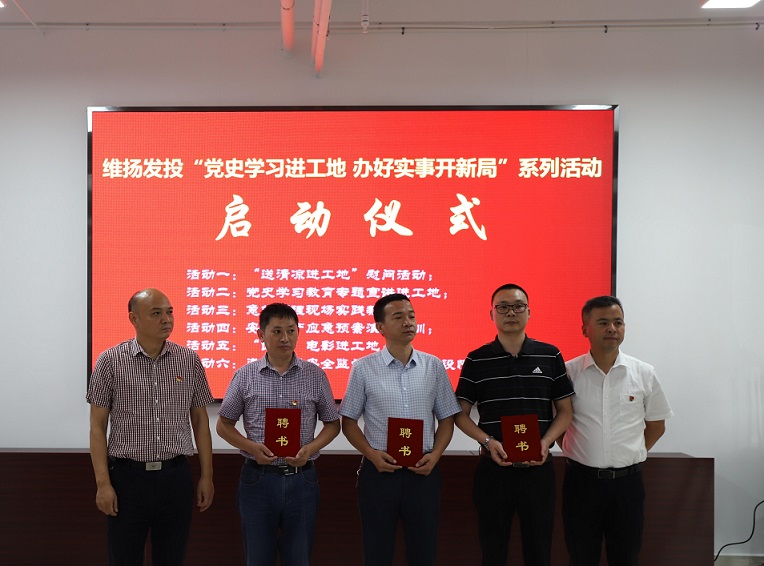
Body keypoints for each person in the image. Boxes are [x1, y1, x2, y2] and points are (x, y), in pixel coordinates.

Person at [87, 288, 215, 566]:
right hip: (127, 479)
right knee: (124, 558)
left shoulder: (189, 360)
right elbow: (97, 426)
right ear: (134, 319)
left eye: (169, 312)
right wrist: (103, 484)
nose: (166, 319)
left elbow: (200, 421)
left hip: (175, 477)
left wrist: (207, 475)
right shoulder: (110, 361)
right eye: (156, 313)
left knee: (172, 558)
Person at [455, 283, 574, 566]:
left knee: (539, 550)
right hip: (493, 470)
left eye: (518, 306)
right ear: (492, 314)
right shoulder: (476, 359)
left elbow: (565, 411)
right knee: (493, 550)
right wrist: (488, 441)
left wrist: (545, 442)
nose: (511, 312)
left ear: (529, 312)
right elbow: (460, 414)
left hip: (539, 470)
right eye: (503, 307)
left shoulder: (550, 355)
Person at [339, 293, 461, 566]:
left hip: (423, 472)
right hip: (380, 472)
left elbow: (446, 418)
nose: (408, 322)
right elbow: (348, 421)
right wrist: (371, 454)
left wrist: (435, 455)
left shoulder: (433, 365)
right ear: (380, 327)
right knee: (377, 553)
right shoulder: (363, 368)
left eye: (411, 316)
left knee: (423, 553)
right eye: (398, 317)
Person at [216, 302, 340, 566]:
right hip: (258, 479)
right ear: (261, 335)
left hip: (302, 479)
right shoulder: (245, 376)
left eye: (291, 331)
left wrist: (310, 448)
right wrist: (252, 447)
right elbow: (223, 424)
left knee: (299, 558)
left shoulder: (315, 375)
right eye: (277, 331)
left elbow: (332, 424)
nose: (285, 338)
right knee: (258, 558)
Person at [560, 296, 673, 566]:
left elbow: (656, 425)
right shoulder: (568, 374)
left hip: (627, 485)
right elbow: (559, 423)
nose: (612, 328)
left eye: (618, 322)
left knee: (626, 557)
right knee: (581, 557)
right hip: (581, 483)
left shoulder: (644, 373)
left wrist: (631, 452)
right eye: (603, 322)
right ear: (585, 329)